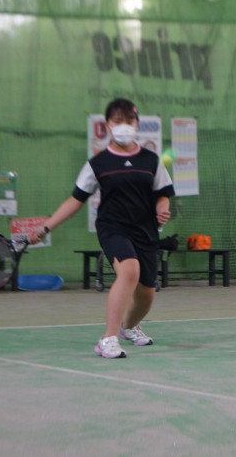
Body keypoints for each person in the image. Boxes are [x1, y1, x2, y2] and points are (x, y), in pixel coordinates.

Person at [30, 99, 175, 359]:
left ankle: (128, 327)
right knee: (129, 271)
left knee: (146, 296)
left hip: (145, 231)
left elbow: (163, 194)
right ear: (108, 125)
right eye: (118, 121)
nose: (124, 126)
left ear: (137, 124)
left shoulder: (151, 160)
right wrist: (45, 228)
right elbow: (75, 201)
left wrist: (162, 208)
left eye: (129, 121)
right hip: (113, 227)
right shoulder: (98, 163)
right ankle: (108, 338)